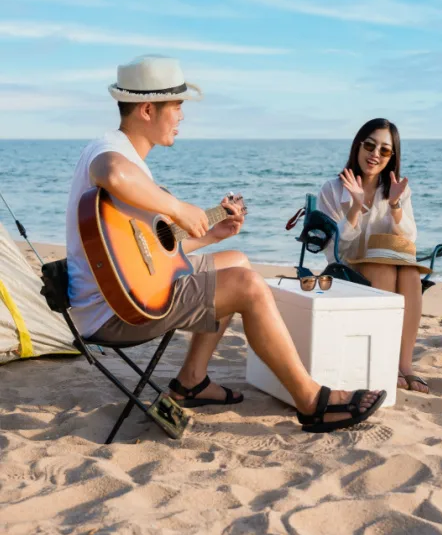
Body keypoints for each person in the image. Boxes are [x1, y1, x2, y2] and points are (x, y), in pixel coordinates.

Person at [66, 56, 385, 432]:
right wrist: (177, 207)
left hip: (123, 290)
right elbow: (113, 174)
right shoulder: (112, 153)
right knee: (248, 288)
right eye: (177, 106)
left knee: (238, 261)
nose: (182, 116)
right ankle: (312, 400)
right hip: (117, 310)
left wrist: (211, 235)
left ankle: (191, 379)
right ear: (148, 109)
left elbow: (147, 257)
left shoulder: (129, 158)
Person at [317, 118, 430, 394]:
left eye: (385, 150)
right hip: (346, 272)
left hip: (388, 267)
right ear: (358, 146)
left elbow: (408, 240)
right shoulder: (332, 190)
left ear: (392, 156)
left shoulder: (395, 190)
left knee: (410, 271)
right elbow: (335, 252)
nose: (375, 154)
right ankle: (384, 363)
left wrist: (394, 205)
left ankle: (405, 365)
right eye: (370, 145)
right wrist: (355, 208)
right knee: (384, 268)